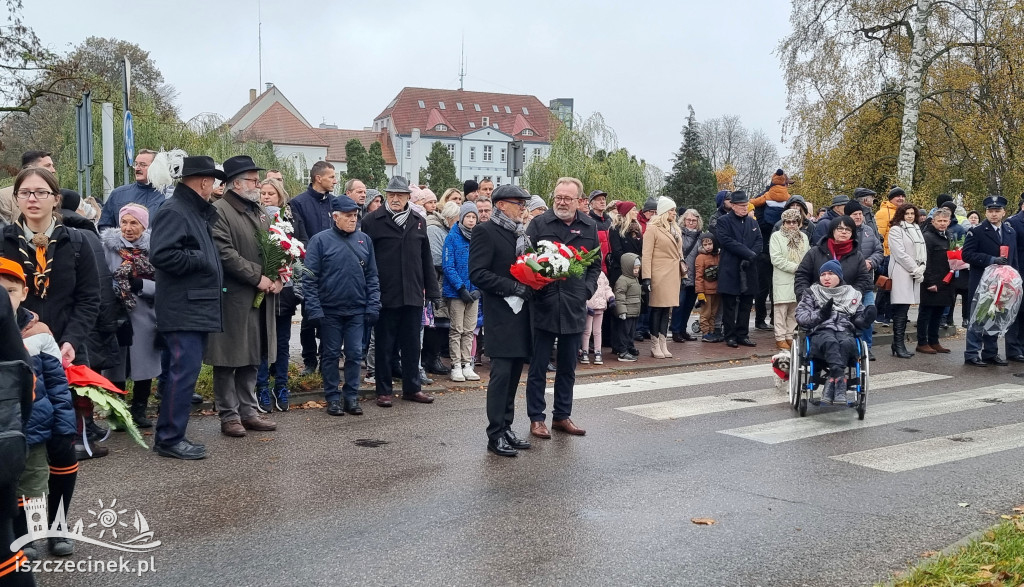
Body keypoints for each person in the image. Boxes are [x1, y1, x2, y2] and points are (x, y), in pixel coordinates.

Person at [149, 156, 227, 460]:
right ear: (204, 182)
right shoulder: (176, 210)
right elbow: (163, 255)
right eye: (214, 181)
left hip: (192, 306)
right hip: (184, 309)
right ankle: (169, 438)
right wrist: (201, 260)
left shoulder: (191, 210)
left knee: (180, 374)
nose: (215, 186)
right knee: (182, 374)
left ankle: (170, 433)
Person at [3, 259, 78, 560]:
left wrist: (64, 424)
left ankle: (53, 527)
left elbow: (58, 384)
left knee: (40, 476)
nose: (3, 296)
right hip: (6, 426)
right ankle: (22, 534)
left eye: (10, 290)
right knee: (13, 480)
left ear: (23, 293)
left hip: (38, 421)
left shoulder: (39, 334)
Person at [204, 156, 281, 438]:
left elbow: (278, 245)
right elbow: (224, 252)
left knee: (252, 356)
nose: (258, 184)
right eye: (252, 179)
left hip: (260, 296)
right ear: (235, 183)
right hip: (234, 297)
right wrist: (257, 276)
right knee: (228, 358)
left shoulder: (260, 210)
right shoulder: (219, 211)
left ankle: (249, 411)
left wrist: (279, 275)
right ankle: (229, 415)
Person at [524, 177, 599, 439]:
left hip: (573, 305)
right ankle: (536, 418)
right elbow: (525, 258)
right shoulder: (539, 223)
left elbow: (595, 265)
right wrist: (536, 283)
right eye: (558, 197)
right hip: (543, 304)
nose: (562, 202)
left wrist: (586, 290)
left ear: (579, 200)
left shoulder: (589, 226)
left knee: (568, 366)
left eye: (567, 198)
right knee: (538, 367)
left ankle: (562, 416)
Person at [361, 176, 439, 407]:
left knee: (412, 344)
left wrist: (432, 291)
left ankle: (412, 388)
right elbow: (365, 259)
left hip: (413, 293)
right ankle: (383, 390)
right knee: (385, 344)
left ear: (408, 197)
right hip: (385, 293)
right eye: (391, 195)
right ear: (387, 196)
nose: (395, 199)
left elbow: (426, 258)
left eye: (400, 195)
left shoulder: (418, 220)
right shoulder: (372, 221)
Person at [468, 184, 533, 457]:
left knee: (514, 376)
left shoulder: (519, 233)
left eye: (523, 203)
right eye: (518, 203)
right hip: (501, 314)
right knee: (501, 376)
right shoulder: (485, 231)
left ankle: (506, 427)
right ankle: (495, 434)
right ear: (501, 205)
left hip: (521, 315)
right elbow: (478, 274)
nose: (523, 208)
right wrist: (513, 287)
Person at [304, 195, 380, 417]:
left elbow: (372, 276)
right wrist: (315, 309)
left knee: (356, 353)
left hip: (357, 309)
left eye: (355, 215)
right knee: (330, 355)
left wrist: (373, 304)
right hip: (330, 310)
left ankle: (351, 396)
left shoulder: (364, 240)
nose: (353, 219)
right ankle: (332, 397)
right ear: (334, 216)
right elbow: (309, 278)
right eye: (348, 216)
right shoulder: (320, 241)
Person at [100, 204, 161, 428]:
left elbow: (164, 283)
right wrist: (116, 290)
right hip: (116, 313)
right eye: (124, 222)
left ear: (144, 226)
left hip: (145, 313)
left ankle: (139, 409)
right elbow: (101, 277)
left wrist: (141, 285)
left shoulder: (153, 249)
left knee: (144, 364)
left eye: (134, 223)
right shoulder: (108, 247)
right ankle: (118, 410)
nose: (128, 228)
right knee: (116, 363)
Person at [795, 260, 875, 404]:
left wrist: (866, 319)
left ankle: (832, 381)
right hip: (821, 330)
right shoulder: (811, 293)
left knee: (845, 342)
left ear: (839, 276)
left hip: (845, 329)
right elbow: (801, 317)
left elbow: (858, 319)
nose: (826, 278)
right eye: (823, 274)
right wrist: (820, 315)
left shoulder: (852, 294)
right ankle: (840, 380)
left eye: (831, 274)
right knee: (829, 341)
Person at [289, 161, 337, 375]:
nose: (335, 181)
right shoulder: (298, 203)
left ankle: (328, 359)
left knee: (331, 317)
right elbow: (299, 235)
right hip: (310, 269)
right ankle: (309, 360)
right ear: (318, 178)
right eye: (331, 177)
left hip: (334, 271)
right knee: (309, 318)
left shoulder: (335, 203)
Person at [255, 178, 298, 412]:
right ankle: (261, 386)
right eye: (263, 193)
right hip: (262, 287)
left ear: (280, 196)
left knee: (282, 342)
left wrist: (281, 276)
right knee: (262, 341)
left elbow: (295, 252)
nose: (266, 197)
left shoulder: (288, 220)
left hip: (284, 290)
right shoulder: (255, 219)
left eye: (271, 193)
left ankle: (280, 385)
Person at [962, 195, 1017, 367]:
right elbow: (967, 255)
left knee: (996, 316)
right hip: (982, 282)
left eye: (997, 211)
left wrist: (1014, 279)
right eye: (990, 211)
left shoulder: (1009, 231)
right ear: (986, 212)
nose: (994, 214)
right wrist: (991, 259)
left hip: (1002, 283)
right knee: (979, 316)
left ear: (1003, 212)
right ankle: (972, 353)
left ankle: (990, 353)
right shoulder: (977, 231)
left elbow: (1013, 258)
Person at [716, 190, 761, 348]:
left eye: (746, 205)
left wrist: (752, 255)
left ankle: (743, 334)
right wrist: (748, 253)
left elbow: (759, 241)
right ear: (733, 206)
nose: (744, 208)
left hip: (749, 268)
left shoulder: (752, 222)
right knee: (729, 304)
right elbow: (726, 241)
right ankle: (730, 335)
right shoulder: (723, 221)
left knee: (746, 304)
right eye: (741, 205)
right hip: (730, 267)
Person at [795, 216, 874, 301]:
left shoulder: (857, 256)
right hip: (816, 302)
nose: (844, 232)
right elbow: (802, 275)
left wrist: (852, 296)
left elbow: (863, 280)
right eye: (840, 229)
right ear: (832, 231)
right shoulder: (815, 252)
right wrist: (805, 297)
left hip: (847, 304)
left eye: (848, 229)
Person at [443, 202, 480, 382]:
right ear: (462, 218)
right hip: (457, 292)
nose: (471, 220)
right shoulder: (452, 237)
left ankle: (467, 363)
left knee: (469, 329)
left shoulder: (479, 238)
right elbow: (448, 266)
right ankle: (456, 364)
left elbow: (482, 263)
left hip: (474, 291)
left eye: (474, 217)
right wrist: (461, 287)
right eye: (468, 217)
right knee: (456, 329)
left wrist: (478, 288)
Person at [641, 197, 682, 358]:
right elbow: (646, 254)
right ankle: (654, 343)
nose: (674, 213)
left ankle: (663, 342)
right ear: (664, 211)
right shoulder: (653, 229)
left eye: (675, 210)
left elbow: (680, 253)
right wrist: (646, 277)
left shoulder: (675, 229)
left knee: (667, 309)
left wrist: (683, 274)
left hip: (673, 273)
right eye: (671, 210)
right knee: (657, 309)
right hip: (659, 273)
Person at [887, 202, 926, 358]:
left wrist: (922, 266)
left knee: (905, 309)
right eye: (906, 213)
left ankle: (897, 343)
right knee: (901, 310)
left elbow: (922, 250)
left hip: (914, 273)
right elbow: (899, 253)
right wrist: (915, 268)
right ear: (901, 215)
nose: (909, 216)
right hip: (901, 272)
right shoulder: (896, 230)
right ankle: (898, 344)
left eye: (912, 213)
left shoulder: (917, 229)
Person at [846, 200, 884, 359]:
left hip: (867, 283)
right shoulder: (843, 231)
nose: (859, 217)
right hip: (848, 284)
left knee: (868, 314)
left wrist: (871, 262)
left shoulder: (869, 231)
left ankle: (867, 348)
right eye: (855, 214)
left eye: (860, 214)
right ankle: (851, 347)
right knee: (849, 316)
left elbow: (879, 251)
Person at [769, 209, 809, 349]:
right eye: (788, 222)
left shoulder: (803, 237)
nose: (791, 225)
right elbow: (776, 258)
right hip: (783, 276)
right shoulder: (776, 236)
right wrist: (795, 267)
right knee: (781, 309)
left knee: (794, 309)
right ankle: (779, 337)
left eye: (794, 222)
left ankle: (789, 335)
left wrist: (804, 269)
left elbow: (808, 255)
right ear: (783, 222)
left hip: (799, 278)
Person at [916, 208, 955, 354]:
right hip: (931, 281)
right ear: (933, 221)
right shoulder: (927, 237)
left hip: (946, 281)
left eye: (945, 221)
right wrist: (930, 281)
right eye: (939, 221)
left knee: (938, 313)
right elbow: (926, 261)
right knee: (926, 313)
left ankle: (934, 340)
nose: (942, 224)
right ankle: (922, 342)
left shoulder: (949, 235)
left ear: (949, 222)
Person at [608, 201, 643, 356]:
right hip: (621, 273)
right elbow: (617, 251)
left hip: (635, 272)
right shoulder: (616, 229)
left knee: (633, 309)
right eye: (634, 209)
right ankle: (620, 344)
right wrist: (631, 262)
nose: (636, 211)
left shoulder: (637, 230)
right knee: (622, 310)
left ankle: (629, 342)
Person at [98, 150, 164, 230]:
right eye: (136, 164)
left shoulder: (168, 195)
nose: (137, 168)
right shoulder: (118, 194)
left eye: (143, 165)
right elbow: (104, 226)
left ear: (156, 168)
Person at [0, 150, 57, 225]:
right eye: (47, 166)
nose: (53, 170)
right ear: (30, 168)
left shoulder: (58, 195)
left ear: (57, 200)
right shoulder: (3, 196)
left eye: (42, 193)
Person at [671, 208, 702, 343]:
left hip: (695, 275)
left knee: (689, 305)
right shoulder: (678, 233)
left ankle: (683, 329)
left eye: (693, 220)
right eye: (688, 220)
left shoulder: (701, 236)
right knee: (679, 303)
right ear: (683, 220)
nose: (690, 223)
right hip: (681, 274)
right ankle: (676, 331)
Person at [613, 253, 642, 361]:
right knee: (624, 332)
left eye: (638, 268)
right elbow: (619, 296)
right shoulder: (623, 280)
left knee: (631, 332)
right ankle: (622, 351)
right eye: (634, 268)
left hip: (634, 310)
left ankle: (630, 347)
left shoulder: (634, 279)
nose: (636, 270)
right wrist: (622, 311)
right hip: (627, 311)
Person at [695, 233, 721, 342]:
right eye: (705, 244)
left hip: (717, 290)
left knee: (713, 313)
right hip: (706, 291)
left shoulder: (718, 256)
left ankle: (711, 331)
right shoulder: (700, 257)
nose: (708, 246)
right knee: (706, 313)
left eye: (710, 244)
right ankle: (705, 333)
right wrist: (700, 292)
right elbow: (699, 276)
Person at [581, 272, 613, 365]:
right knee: (587, 331)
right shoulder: (586, 273)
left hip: (600, 306)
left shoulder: (602, 274)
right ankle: (584, 351)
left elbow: (606, 287)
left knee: (597, 331)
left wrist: (611, 297)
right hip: (590, 307)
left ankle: (597, 351)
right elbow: (583, 291)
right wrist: (586, 305)